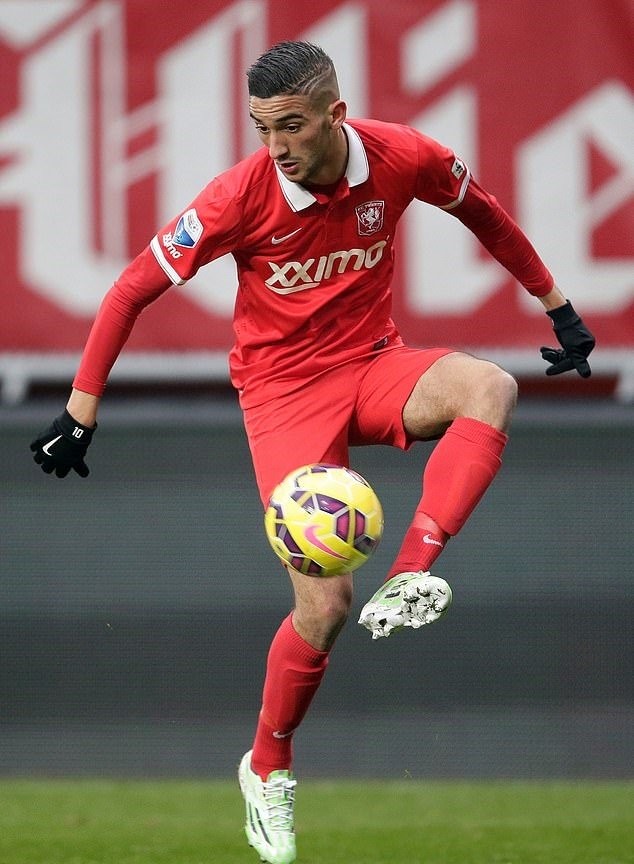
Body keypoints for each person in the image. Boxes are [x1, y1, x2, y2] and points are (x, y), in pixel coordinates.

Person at [30, 40, 595, 864]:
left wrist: (559, 306)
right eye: (262, 128)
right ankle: (267, 765)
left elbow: (486, 213)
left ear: (335, 114)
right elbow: (130, 289)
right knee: (325, 608)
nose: (276, 146)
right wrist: (81, 413)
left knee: (491, 388)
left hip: (370, 365)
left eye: (290, 126)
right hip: (282, 398)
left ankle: (413, 574)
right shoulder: (236, 197)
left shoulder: (405, 156)